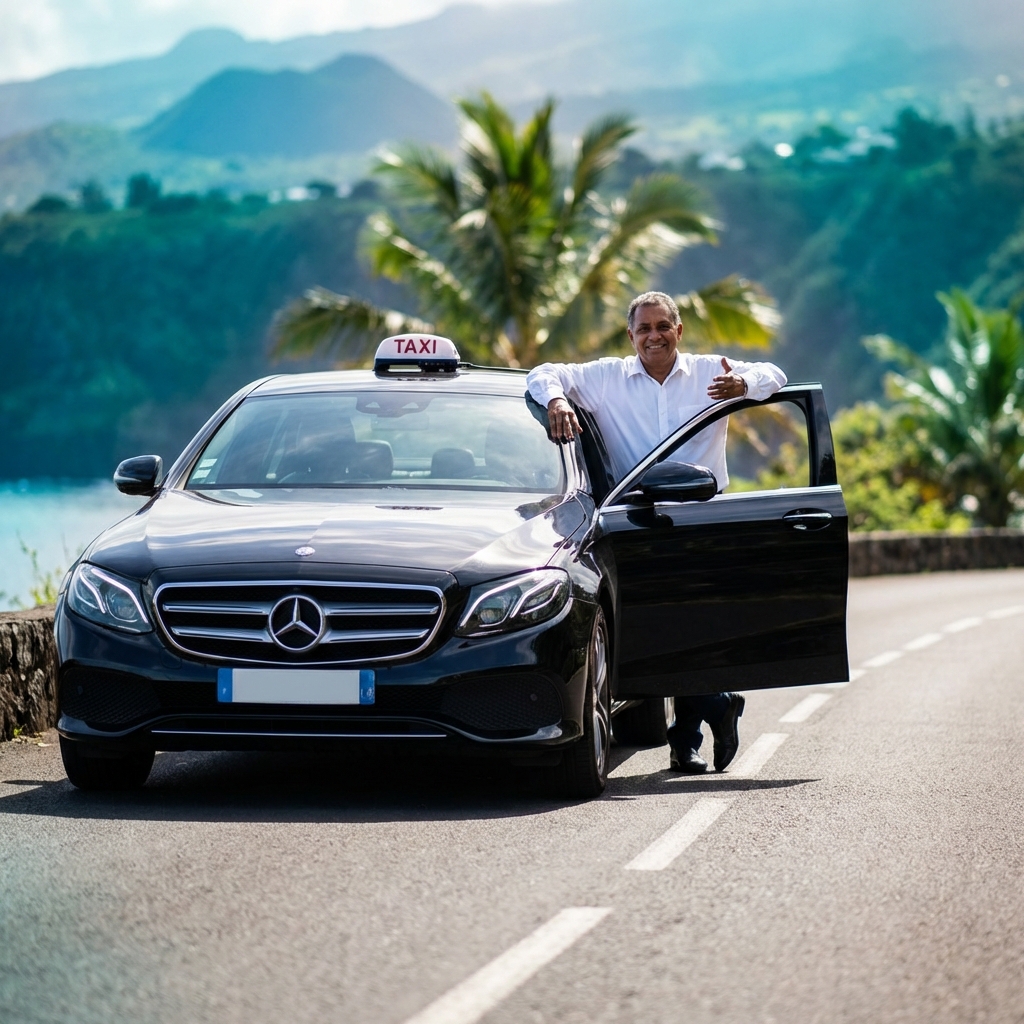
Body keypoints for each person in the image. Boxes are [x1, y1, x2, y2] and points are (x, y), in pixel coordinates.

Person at [526, 290, 787, 774]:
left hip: (703, 518)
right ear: (631, 336)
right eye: (644, 328)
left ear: (678, 330)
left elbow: (775, 374)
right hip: (638, 521)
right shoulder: (606, 378)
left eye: (663, 326)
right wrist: (557, 399)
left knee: (696, 626)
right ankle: (718, 703)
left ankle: (685, 744)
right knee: (655, 627)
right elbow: (543, 373)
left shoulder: (711, 372)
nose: (654, 336)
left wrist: (745, 384)